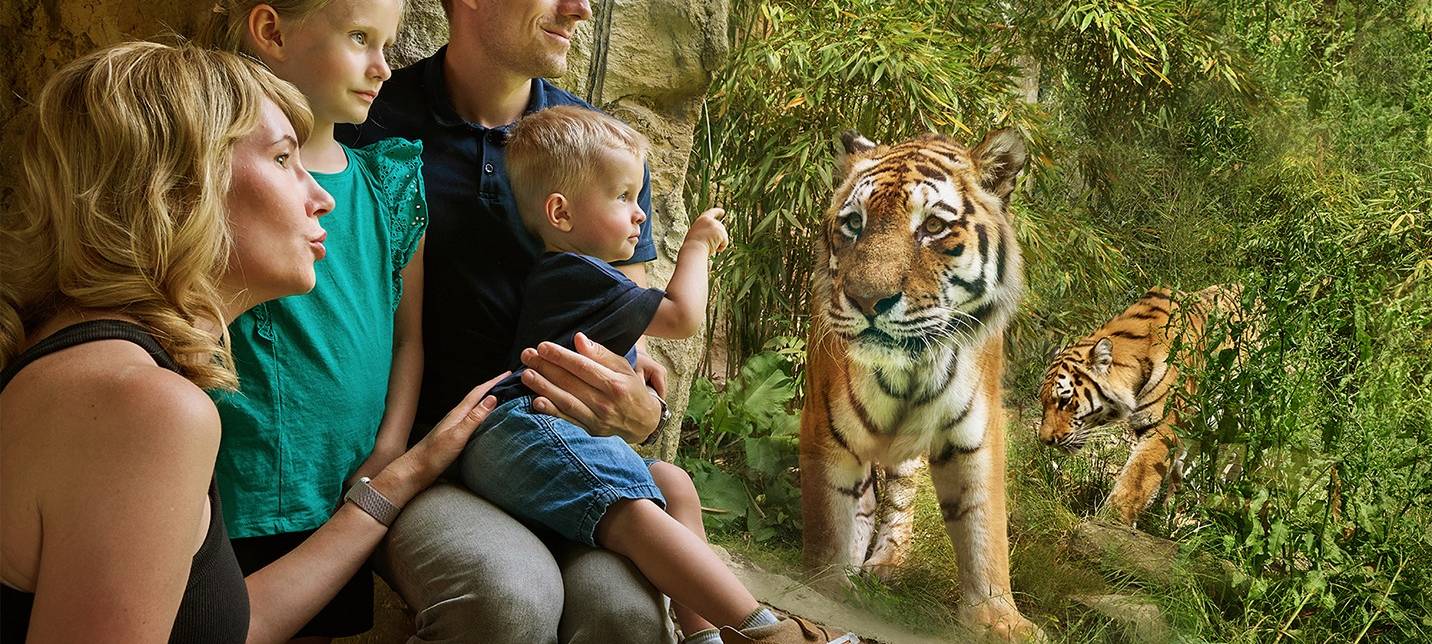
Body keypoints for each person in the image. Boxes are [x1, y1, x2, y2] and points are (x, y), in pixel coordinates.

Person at [0, 42, 501, 643]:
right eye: (285, 158)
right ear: (179, 187)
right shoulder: (140, 408)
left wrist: (397, 479)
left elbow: (234, 624)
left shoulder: (96, 364)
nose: (322, 196)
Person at [342, 1, 681, 641]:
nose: (580, 8)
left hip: (562, 451)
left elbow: (623, 343)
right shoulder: (372, 121)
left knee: (627, 616)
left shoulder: (600, 148)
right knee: (508, 598)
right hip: (430, 459)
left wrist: (642, 411)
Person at [457, 105, 845, 644]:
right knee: (631, 513)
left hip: (555, 433)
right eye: (623, 197)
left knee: (675, 484)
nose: (640, 214)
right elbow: (682, 317)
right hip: (524, 429)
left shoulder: (579, 275)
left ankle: (704, 636)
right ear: (560, 214)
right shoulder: (576, 272)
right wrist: (697, 245)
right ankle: (765, 631)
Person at [200, 1, 425, 639]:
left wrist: (389, 446)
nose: (383, 66)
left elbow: (408, 334)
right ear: (271, 31)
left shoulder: (388, 183)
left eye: (389, 43)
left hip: (339, 488)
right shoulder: (217, 172)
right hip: (227, 481)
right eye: (360, 38)